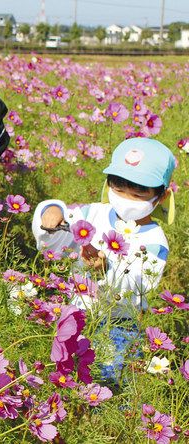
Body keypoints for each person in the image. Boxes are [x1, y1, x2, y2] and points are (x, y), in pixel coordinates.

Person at [32, 137, 176, 383]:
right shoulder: (92, 213)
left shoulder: (155, 241)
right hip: (76, 313)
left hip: (118, 325)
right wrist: (50, 212)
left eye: (138, 193)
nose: (125, 199)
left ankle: (105, 420)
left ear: (160, 197)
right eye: (118, 188)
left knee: (108, 381)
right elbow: (55, 240)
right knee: (66, 374)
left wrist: (107, 271)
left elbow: (142, 284)